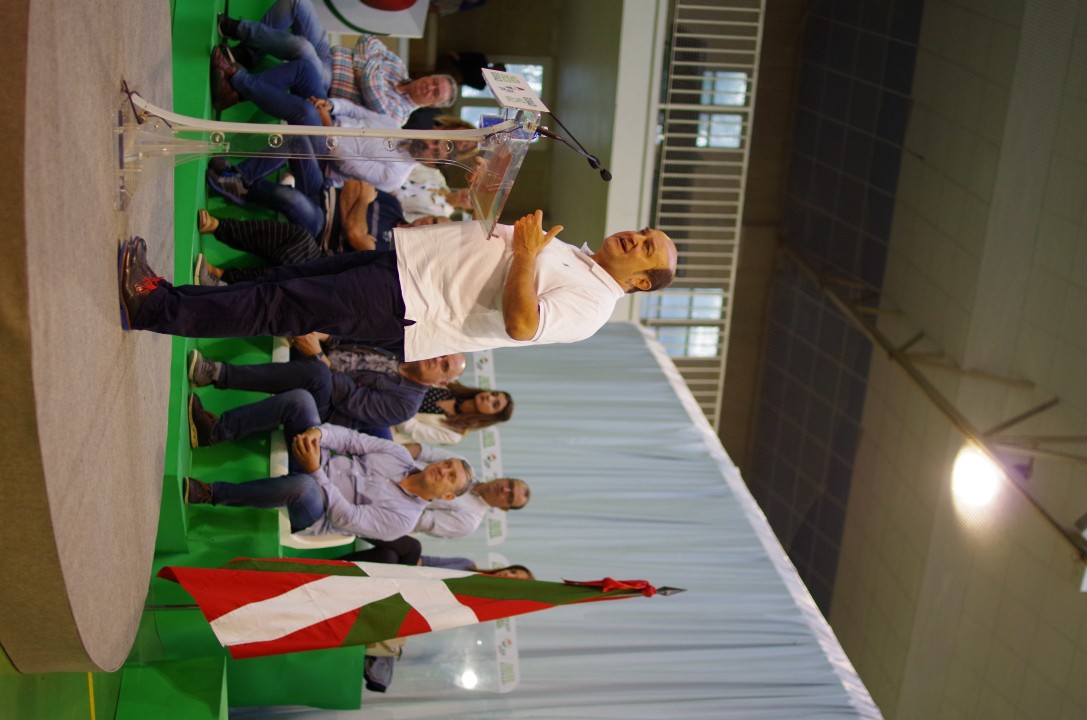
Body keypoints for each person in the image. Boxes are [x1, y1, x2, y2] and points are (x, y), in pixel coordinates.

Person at [118, 211, 679, 361]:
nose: (636, 238)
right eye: (644, 233)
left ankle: (154, 307)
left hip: (411, 303)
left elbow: (522, 323)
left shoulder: (592, 307)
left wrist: (527, 254)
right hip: (406, 268)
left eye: (647, 248)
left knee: (277, 306)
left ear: (642, 282)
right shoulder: (578, 257)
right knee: (282, 281)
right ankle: (163, 296)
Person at [183, 424, 473, 539]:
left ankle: (210, 493)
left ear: (447, 497)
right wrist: (319, 435)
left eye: (451, 476)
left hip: (316, 511)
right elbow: (351, 439)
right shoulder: (400, 454)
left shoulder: (404, 520)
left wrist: (315, 471)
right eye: (447, 464)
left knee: (304, 487)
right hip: (316, 461)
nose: (443, 470)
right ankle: (213, 429)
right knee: (302, 401)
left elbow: (346, 516)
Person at [216, 0, 457, 125]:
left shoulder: (398, 117)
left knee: (302, 48)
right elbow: (368, 40)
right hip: (329, 54)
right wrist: (363, 69)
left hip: (324, 86)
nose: (430, 87)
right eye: (434, 82)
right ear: (430, 75)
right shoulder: (399, 68)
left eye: (435, 93)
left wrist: (365, 65)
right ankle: (248, 54)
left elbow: (372, 88)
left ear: (431, 105)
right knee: (298, 2)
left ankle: (235, 30)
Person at [187, 347, 466, 439]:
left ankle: (216, 377)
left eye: (444, 365)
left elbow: (350, 400)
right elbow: (352, 344)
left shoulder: (406, 405)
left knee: (316, 376)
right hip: (326, 364)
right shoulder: (401, 352)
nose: (436, 358)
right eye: (441, 353)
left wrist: (323, 360)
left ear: (442, 383)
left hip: (327, 411)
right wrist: (321, 338)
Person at [193, 193, 450, 286]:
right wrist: (353, 220)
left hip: (329, 265)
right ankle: (220, 227)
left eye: (433, 229)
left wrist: (357, 209)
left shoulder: (399, 255)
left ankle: (224, 278)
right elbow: (356, 185)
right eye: (433, 220)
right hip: (324, 211)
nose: (427, 224)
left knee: (297, 265)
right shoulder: (393, 205)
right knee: (297, 236)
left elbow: (355, 233)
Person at [414, 472, 530, 539]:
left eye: (510, 496)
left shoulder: (469, 521)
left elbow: (417, 520)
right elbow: (422, 452)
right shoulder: (464, 470)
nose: (504, 489)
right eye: (509, 484)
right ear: (504, 478)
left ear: (503, 508)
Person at [394, 382, 513, 446]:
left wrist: (396, 403)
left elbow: (409, 428)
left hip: (390, 425)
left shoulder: (454, 435)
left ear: (490, 417)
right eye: (494, 394)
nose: (489, 398)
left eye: (495, 404)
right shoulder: (451, 384)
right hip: (391, 391)